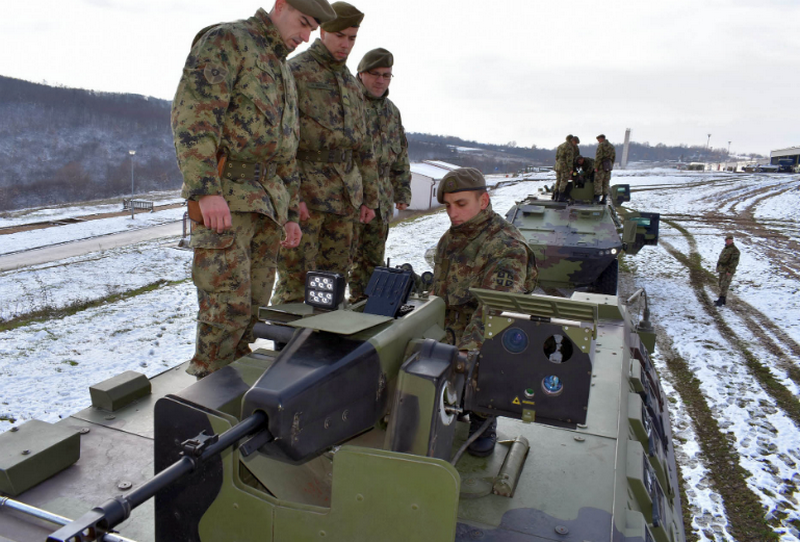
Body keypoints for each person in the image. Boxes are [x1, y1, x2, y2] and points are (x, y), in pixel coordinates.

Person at [172, 0, 336, 378]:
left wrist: (291, 214)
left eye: (312, 29)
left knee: (251, 309)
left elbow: (287, 151)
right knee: (224, 313)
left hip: (267, 206)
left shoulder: (280, 67)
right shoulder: (229, 40)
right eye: (303, 23)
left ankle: (232, 394)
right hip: (226, 202)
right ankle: (208, 401)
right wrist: (204, 189)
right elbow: (194, 116)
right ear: (280, 6)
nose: (305, 36)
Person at [272, 1, 379, 305]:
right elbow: (284, 144)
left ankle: (326, 345)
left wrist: (368, 197)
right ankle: (286, 347)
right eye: (340, 36)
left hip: (345, 199)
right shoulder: (295, 71)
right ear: (323, 31)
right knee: (297, 281)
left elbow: (364, 147)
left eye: (352, 38)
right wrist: (293, 201)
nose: (346, 45)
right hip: (307, 196)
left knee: (334, 280)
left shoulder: (351, 84)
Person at [432, 168, 538, 456]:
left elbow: (495, 309)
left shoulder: (505, 246)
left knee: (487, 353)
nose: (453, 213)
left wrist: (465, 357)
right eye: (448, 206)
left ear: (484, 200)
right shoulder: (451, 239)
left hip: (489, 328)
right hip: (451, 324)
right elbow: (439, 291)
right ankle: (453, 399)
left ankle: (483, 417)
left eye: (461, 204)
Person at [348, 48, 412, 302]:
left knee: (371, 262)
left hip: (381, 200)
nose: (380, 80)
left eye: (386, 75)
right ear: (361, 74)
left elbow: (401, 154)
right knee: (341, 259)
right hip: (350, 196)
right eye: (374, 74)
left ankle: (362, 309)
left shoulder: (391, 112)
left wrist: (402, 190)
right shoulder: (349, 102)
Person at [715, 234, 740, 306]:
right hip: (722, 269)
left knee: (724, 285)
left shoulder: (735, 250)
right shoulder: (725, 248)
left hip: (727, 270)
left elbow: (734, 262)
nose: (728, 241)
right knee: (720, 284)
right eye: (727, 240)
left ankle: (721, 299)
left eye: (730, 240)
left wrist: (729, 271)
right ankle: (723, 300)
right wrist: (718, 267)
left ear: (732, 241)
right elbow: (720, 259)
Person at [594, 134, 616, 204]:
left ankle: (596, 199)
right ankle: (604, 199)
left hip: (601, 166)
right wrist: (610, 165)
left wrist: (596, 167)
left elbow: (598, 156)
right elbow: (613, 157)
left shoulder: (601, 145)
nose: (598, 142)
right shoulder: (611, 146)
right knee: (606, 183)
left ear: (601, 139)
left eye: (598, 140)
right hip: (608, 166)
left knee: (598, 182)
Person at [554, 135, 575, 202]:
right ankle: (561, 197)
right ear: (571, 139)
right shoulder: (569, 147)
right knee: (564, 181)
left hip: (558, 165)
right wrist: (570, 168)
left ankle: (555, 195)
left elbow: (556, 157)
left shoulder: (560, 146)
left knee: (558, 180)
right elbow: (569, 159)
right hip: (564, 166)